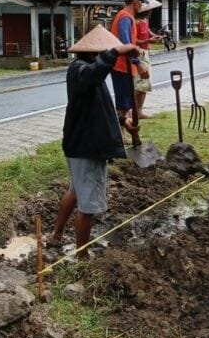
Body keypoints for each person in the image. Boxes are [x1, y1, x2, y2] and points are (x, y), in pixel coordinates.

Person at [45, 25, 139, 258]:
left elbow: (98, 108)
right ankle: (82, 256)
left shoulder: (89, 73)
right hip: (87, 147)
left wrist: (122, 120)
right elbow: (94, 74)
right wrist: (116, 52)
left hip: (80, 143)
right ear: (95, 53)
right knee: (88, 206)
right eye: (104, 53)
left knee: (76, 190)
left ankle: (56, 234)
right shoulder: (81, 71)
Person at [109, 0, 149, 127]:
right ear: (135, 2)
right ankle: (121, 134)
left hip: (124, 65)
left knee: (125, 102)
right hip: (122, 65)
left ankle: (123, 132)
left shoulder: (125, 16)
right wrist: (138, 63)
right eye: (141, 3)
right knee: (123, 104)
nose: (142, 6)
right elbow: (126, 43)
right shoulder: (125, 17)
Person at [134, 10, 162, 119]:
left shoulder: (144, 20)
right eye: (149, 10)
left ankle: (139, 110)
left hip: (145, 52)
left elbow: (147, 30)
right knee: (143, 83)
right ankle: (137, 111)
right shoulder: (135, 21)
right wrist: (148, 40)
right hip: (139, 52)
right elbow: (134, 41)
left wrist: (154, 36)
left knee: (144, 84)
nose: (151, 12)